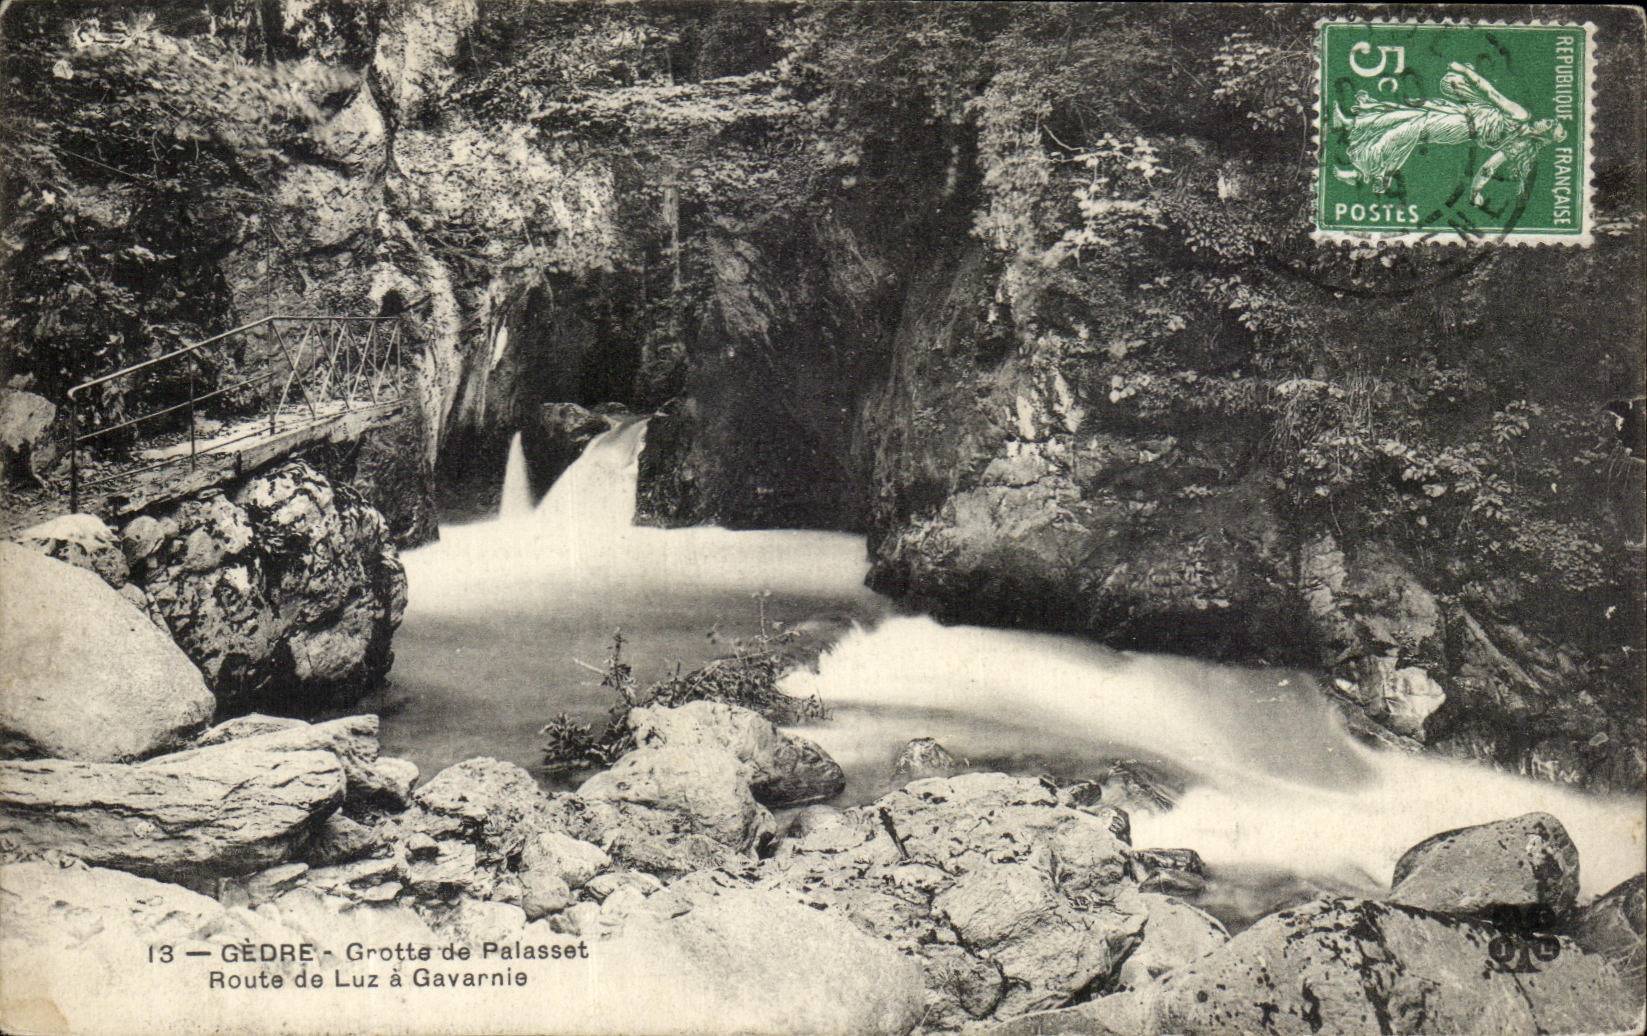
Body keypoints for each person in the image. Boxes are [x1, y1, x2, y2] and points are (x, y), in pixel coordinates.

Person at [1332, 61, 1566, 206]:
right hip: (1461, 120)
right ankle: (1352, 124)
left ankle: (1359, 169)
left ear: (1544, 133)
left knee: (1411, 127)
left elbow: (1492, 93)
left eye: (1548, 124)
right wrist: (1475, 193)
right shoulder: (1520, 146)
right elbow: (1488, 168)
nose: (1544, 120)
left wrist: (1465, 71)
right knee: (1408, 116)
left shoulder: (1521, 115)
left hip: (1461, 123)